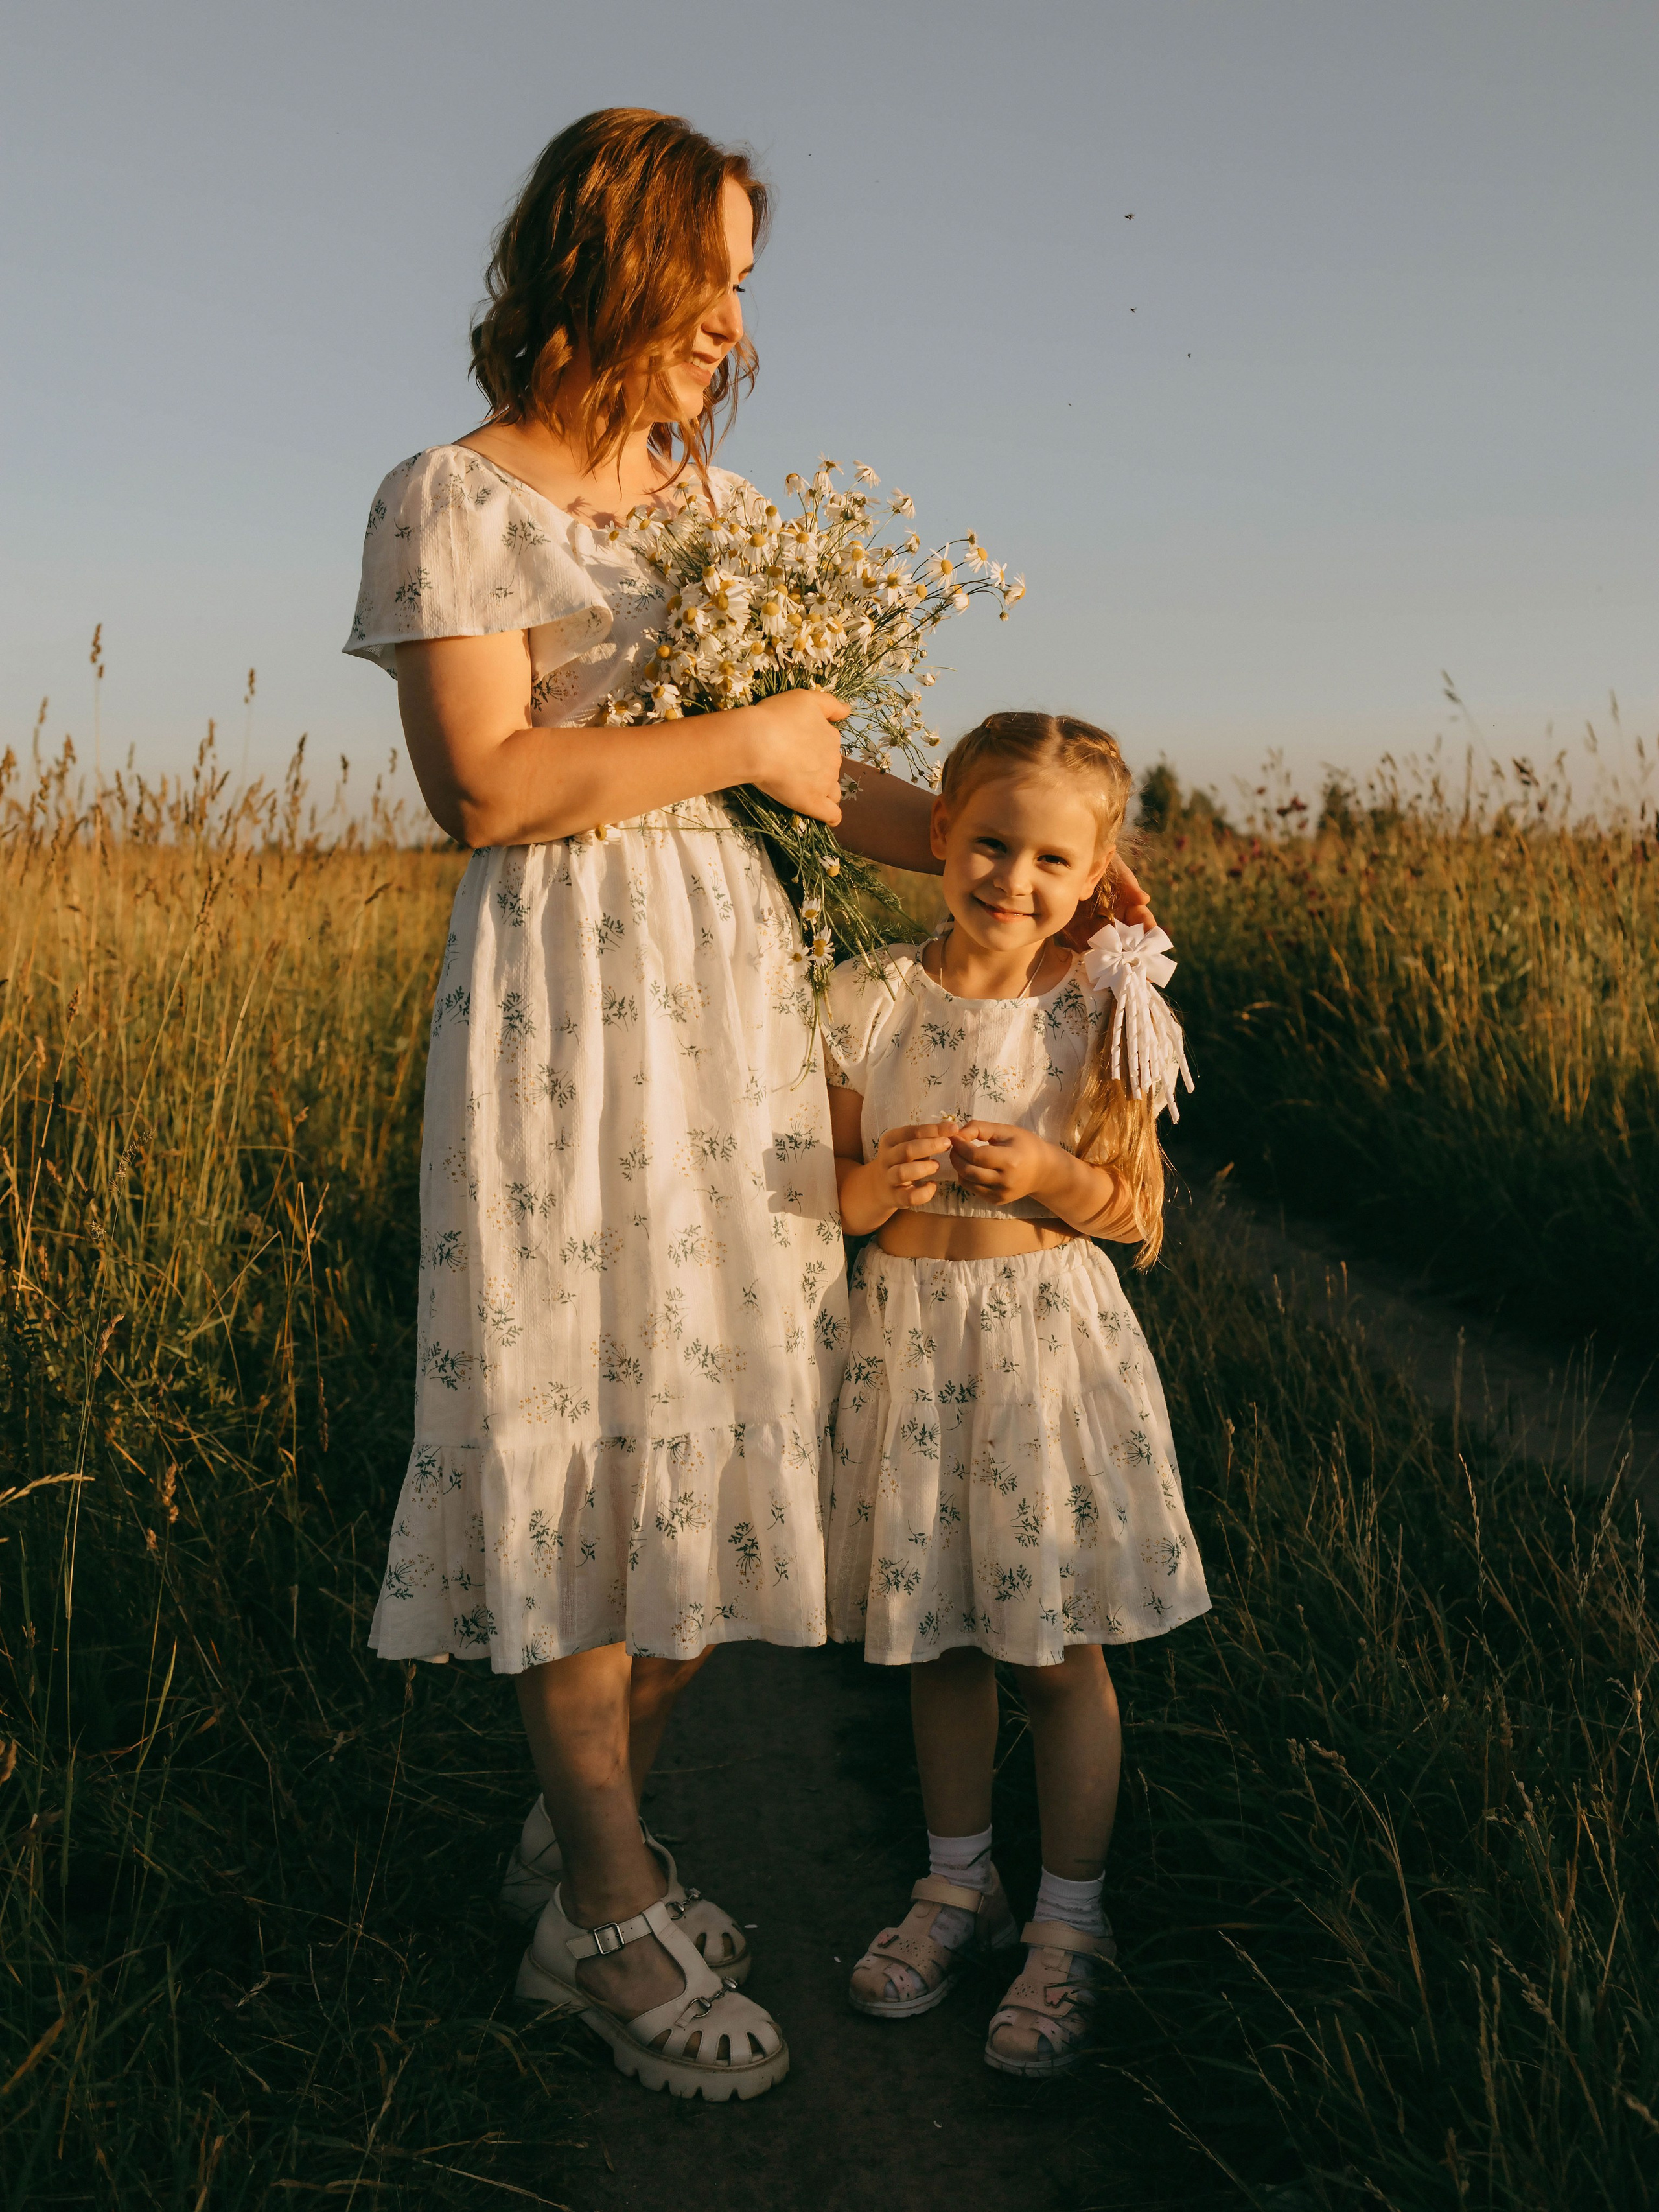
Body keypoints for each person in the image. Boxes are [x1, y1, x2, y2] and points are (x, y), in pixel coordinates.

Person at [346, 108, 1157, 2102]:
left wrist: (1024, 851)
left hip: (727, 989)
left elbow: (823, 776)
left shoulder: (699, 497)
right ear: (610, 260)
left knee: (741, 1415)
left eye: (745, 282)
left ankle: (574, 1837)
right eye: (710, 271)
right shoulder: (451, 493)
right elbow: (492, 785)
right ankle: (610, 1919)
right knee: (570, 1409)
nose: (732, 318)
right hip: (567, 1002)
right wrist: (733, 732)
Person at [822, 711, 1209, 2077]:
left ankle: (1068, 1921)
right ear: (938, 832)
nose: (1012, 880)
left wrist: (1048, 1180)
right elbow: (835, 1193)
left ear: (1097, 870)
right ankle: (953, 1883)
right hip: (911, 1346)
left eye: (1053, 859)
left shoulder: (1093, 1003)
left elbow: (1130, 1210)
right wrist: (885, 1185)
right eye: (989, 843)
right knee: (939, 1636)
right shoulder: (865, 996)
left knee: (1052, 1647)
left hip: (1039, 1354)